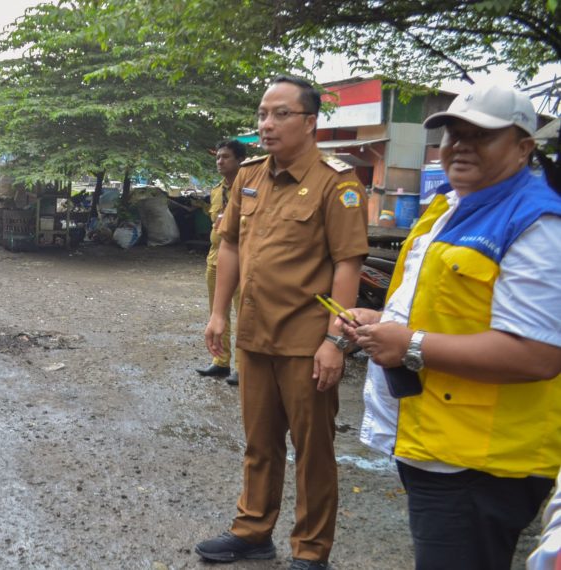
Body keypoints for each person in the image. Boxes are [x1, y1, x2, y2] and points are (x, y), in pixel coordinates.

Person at [337, 83, 561, 570]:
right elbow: (454, 310)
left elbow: (539, 355)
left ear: (524, 147)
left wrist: (410, 344)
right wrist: (384, 322)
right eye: (453, 134)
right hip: (441, 442)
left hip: (481, 461)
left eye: (482, 135)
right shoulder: (451, 206)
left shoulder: (537, 223)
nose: (461, 145)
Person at [197, 75, 368, 570]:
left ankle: (311, 551)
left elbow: (348, 264)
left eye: (280, 114)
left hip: (306, 341)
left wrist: (336, 340)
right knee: (259, 442)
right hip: (254, 335)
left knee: (312, 450)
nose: (267, 124)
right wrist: (218, 313)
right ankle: (253, 531)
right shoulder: (249, 176)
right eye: (262, 114)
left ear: (310, 121)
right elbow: (230, 245)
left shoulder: (337, 183)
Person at [197, 140, 246, 386]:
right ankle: (221, 361)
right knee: (218, 311)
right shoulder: (216, 191)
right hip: (215, 258)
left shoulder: (250, 189)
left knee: (243, 313)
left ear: (240, 160)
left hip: (242, 259)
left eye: (225, 157)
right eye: (218, 157)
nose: (220, 161)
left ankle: (242, 367)